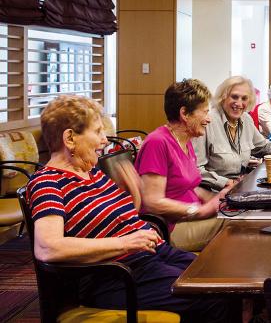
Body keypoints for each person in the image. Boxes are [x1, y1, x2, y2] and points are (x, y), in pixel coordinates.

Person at [26, 95, 227, 320]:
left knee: (224, 278)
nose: (104, 140)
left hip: (151, 255)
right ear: (70, 138)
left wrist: (133, 197)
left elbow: (110, 221)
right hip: (114, 276)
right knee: (214, 295)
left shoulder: (91, 173)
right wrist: (124, 242)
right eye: (98, 132)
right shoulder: (48, 183)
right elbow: (48, 248)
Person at [136, 79, 231, 252]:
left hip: (189, 220)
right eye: (204, 112)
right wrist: (199, 210)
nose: (208, 119)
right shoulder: (157, 142)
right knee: (239, 225)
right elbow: (152, 202)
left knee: (243, 215)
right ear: (184, 114)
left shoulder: (185, 141)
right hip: (171, 228)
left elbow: (190, 187)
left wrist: (220, 198)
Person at [194, 76, 271, 192]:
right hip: (215, 193)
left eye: (244, 98)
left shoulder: (246, 119)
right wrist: (224, 182)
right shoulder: (207, 122)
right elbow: (195, 169)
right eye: (234, 97)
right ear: (223, 97)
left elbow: (262, 147)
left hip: (242, 188)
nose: (239, 103)